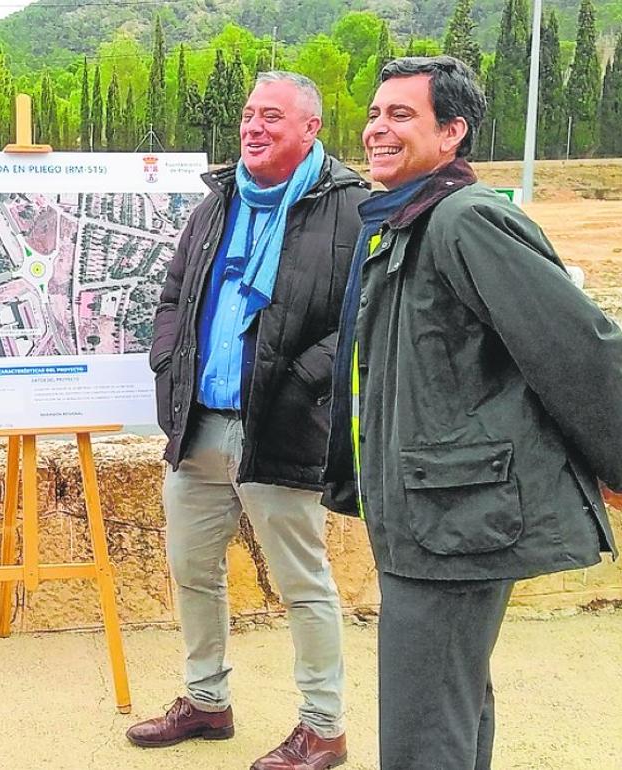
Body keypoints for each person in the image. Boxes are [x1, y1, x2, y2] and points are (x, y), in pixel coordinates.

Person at [322, 55, 622, 769]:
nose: (378, 128)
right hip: (431, 511)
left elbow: (584, 350)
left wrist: (620, 468)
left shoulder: (464, 221)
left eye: (401, 115)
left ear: (452, 133)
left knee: (422, 731)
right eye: (376, 113)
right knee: (448, 702)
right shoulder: (408, 222)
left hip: (454, 520)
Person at [129, 71, 368, 770]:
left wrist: (301, 383)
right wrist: (168, 356)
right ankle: (207, 700)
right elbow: (175, 291)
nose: (253, 128)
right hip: (199, 423)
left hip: (281, 425)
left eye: (271, 117)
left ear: (309, 129)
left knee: (303, 584)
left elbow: (362, 316)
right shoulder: (221, 199)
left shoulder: (348, 208)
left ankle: (323, 728)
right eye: (247, 115)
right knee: (193, 570)